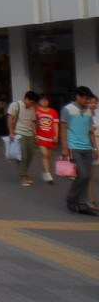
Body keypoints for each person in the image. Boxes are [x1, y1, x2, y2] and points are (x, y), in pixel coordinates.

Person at [60, 85, 98, 215]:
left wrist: (95, 147)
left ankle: (82, 205)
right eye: (85, 99)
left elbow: (91, 131)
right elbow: (63, 129)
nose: (88, 102)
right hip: (74, 147)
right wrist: (65, 148)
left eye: (89, 100)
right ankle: (71, 197)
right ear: (78, 97)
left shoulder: (88, 111)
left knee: (86, 177)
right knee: (82, 174)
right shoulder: (68, 110)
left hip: (87, 147)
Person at [7, 91, 39, 186]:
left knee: (30, 155)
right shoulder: (16, 105)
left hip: (29, 134)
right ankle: (23, 175)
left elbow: (32, 122)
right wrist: (11, 132)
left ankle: (24, 172)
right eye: (31, 102)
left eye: (33, 103)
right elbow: (10, 118)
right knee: (23, 155)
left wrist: (35, 134)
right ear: (26, 99)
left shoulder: (31, 108)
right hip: (19, 133)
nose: (32, 104)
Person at [34, 94, 59, 184]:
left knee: (48, 155)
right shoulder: (36, 110)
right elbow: (32, 122)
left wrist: (56, 135)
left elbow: (55, 124)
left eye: (46, 100)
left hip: (50, 136)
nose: (45, 102)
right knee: (44, 154)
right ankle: (48, 173)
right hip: (41, 135)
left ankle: (46, 172)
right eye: (42, 100)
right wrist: (35, 134)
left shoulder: (53, 112)